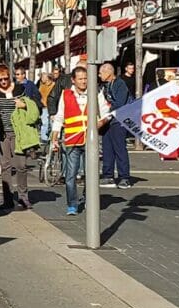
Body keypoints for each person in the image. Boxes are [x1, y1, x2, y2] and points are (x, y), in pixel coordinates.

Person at [50, 67, 110, 215]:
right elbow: (59, 117)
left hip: (91, 141)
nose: (84, 81)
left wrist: (100, 123)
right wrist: (55, 137)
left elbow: (106, 114)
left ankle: (90, 200)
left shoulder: (96, 93)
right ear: (73, 80)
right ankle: (72, 204)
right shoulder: (66, 95)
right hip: (72, 140)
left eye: (85, 78)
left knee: (91, 174)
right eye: (81, 79)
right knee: (70, 176)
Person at [0, 65, 31, 209]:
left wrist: (24, 105)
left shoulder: (19, 89)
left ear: (10, 76)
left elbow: (32, 105)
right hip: (2, 133)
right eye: (0, 79)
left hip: (18, 132)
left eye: (6, 78)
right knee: (5, 166)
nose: (3, 82)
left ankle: (23, 197)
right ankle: (8, 199)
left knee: (21, 165)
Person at [99, 63, 133, 188]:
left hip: (119, 120)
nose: (99, 75)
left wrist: (106, 110)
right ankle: (108, 175)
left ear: (108, 72)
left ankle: (124, 177)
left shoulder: (120, 84)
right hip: (106, 121)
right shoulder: (103, 86)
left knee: (119, 148)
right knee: (107, 149)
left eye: (101, 72)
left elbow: (120, 103)